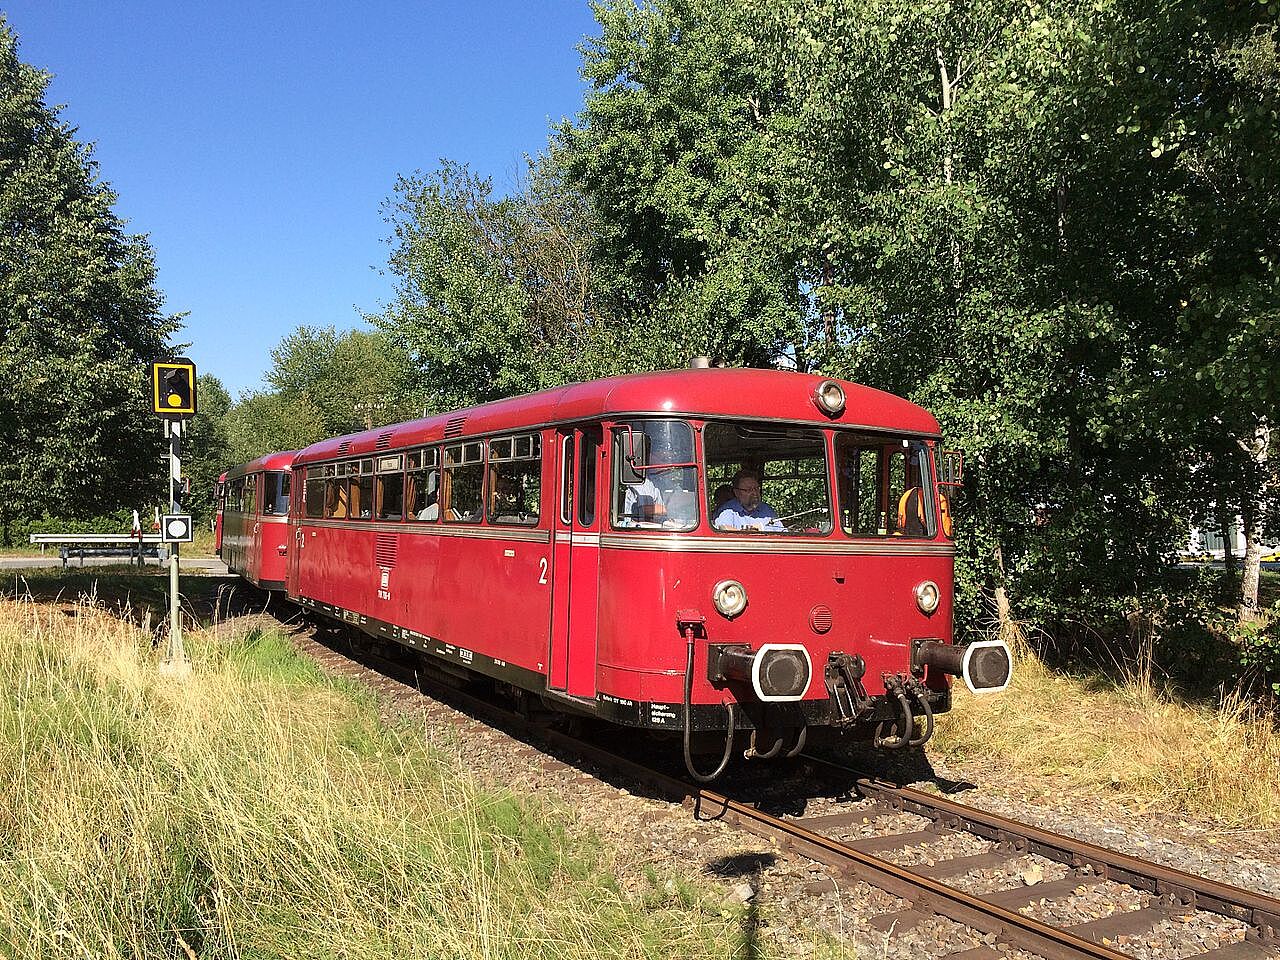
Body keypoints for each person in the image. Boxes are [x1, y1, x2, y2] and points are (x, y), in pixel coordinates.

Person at [713, 470, 784, 531]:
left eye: (756, 488)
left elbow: (782, 532)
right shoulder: (728, 511)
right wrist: (749, 532)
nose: (754, 493)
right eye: (749, 490)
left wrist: (762, 528)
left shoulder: (767, 510)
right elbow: (723, 529)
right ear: (736, 492)